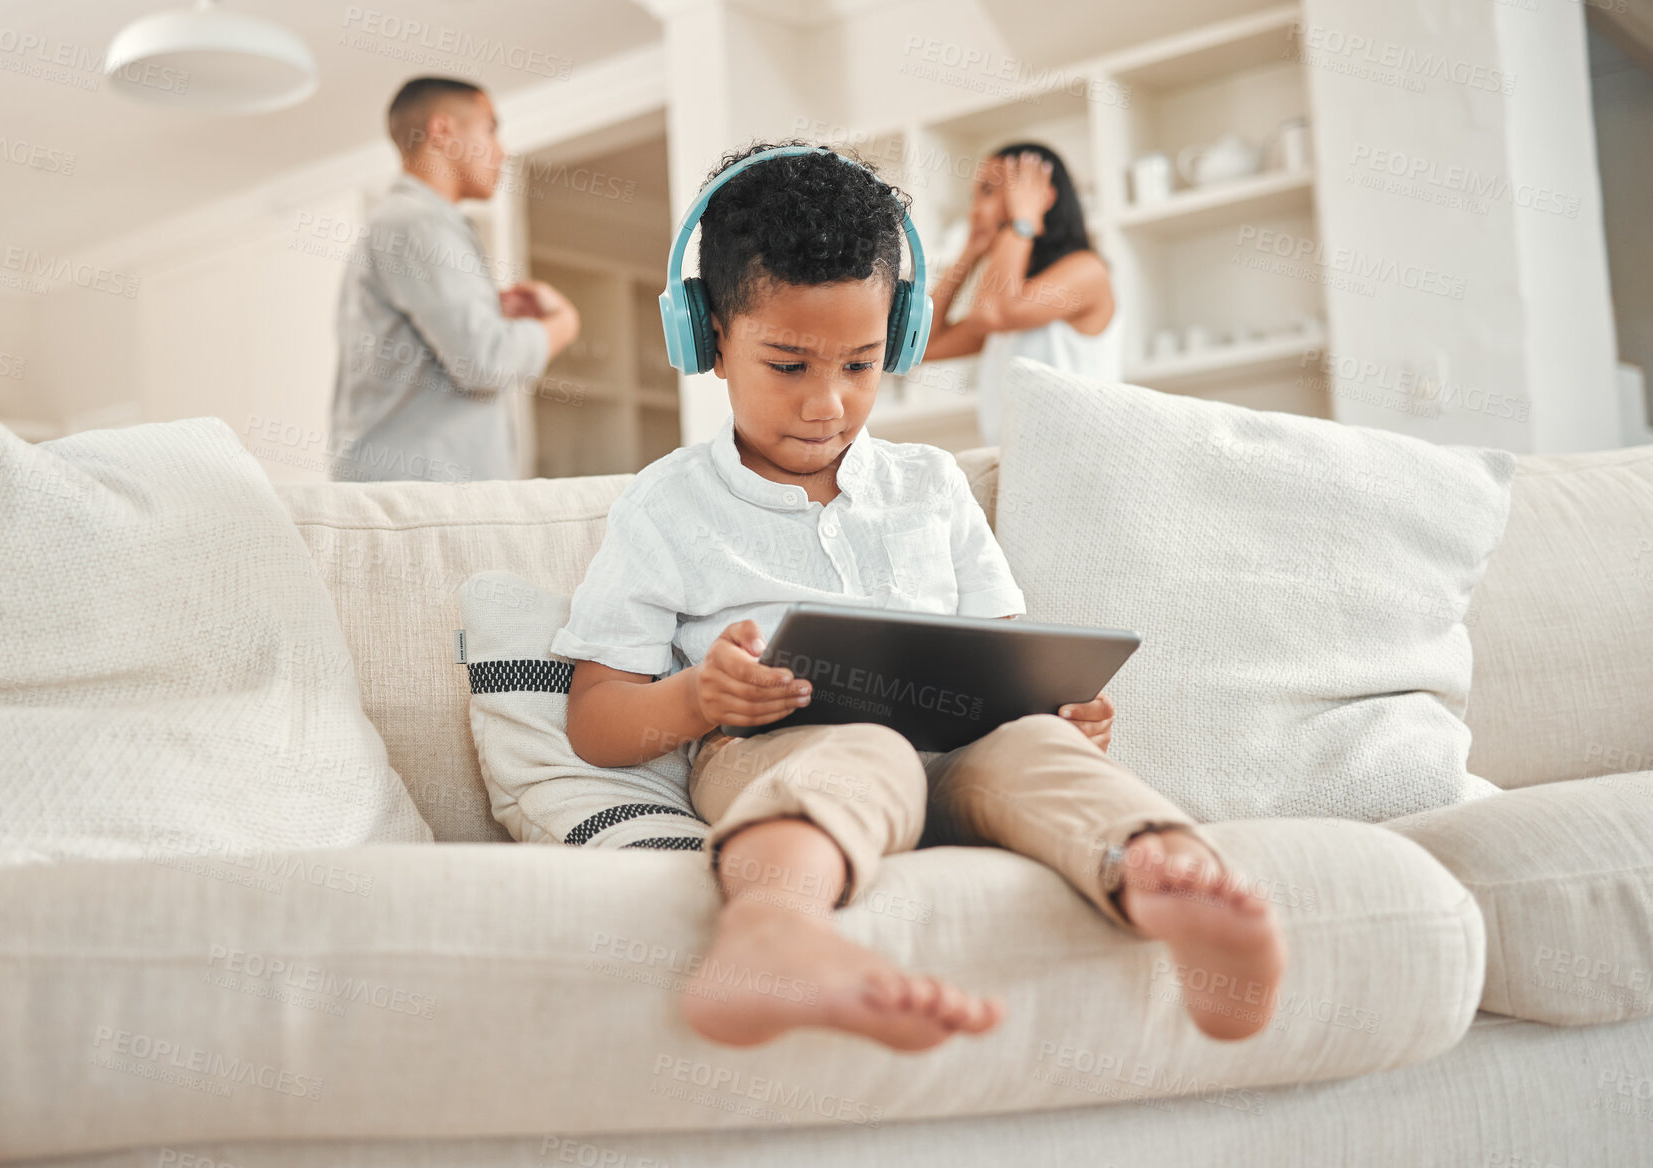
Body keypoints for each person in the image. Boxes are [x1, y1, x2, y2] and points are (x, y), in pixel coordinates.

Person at [550, 141, 1285, 1052]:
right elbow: (594, 722)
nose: (828, 404)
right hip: (776, 752)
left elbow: (1007, 650)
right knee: (864, 751)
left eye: (859, 366)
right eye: (789, 366)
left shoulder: (931, 486)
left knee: (1041, 752)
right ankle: (771, 933)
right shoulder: (666, 506)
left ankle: (1165, 880)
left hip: (966, 749)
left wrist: (1058, 707)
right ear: (706, 340)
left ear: (896, 340)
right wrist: (698, 696)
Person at [329, 76, 580, 484]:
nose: (502, 151)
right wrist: (562, 326)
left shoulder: (406, 223)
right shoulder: (417, 222)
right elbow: (484, 361)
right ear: (442, 131)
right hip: (416, 502)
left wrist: (487, 312)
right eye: (491, 129)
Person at [922, 141, 1120, 446]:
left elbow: (995, 311)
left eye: (988, 191)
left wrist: (1024, 220)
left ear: (1042, 196)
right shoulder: (1009, 303)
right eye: (973, 196)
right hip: (1018, 469)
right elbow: (920, 346)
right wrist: (970, 251)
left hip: (1077, 465)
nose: (974, 211)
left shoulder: (1087, 270)